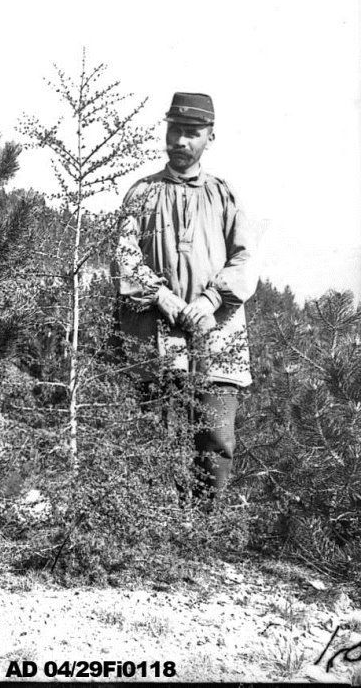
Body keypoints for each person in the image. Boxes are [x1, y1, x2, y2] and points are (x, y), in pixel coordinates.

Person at [111, 92, 257, 506]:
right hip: (154, 331)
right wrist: (161, 296)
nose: (181, 141)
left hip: (216, 335)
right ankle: (151, 530)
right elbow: (122, 254)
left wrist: (211, 300)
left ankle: (204, 532)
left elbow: (244, 259)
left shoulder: (224, 195)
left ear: (210, 137)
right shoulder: (141, 193)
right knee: (153, 431)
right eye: (175, 130)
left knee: (214, 436)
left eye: (192, 133)